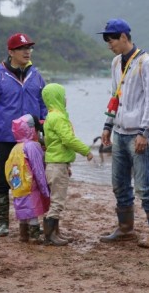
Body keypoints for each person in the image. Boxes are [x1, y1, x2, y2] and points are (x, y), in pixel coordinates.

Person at [97, 19, 149, 248]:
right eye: (107, 40)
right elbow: (115, 95)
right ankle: (126, 228)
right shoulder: (116, 62)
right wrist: (108, 124)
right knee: (119, 183)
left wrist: (145, 131)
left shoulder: (146, 62)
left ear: (124, 37)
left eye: (112, 39)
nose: (109, 44)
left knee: (144, 184)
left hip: (137, 132)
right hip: (119, 130)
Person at [0, 33, 47, 237]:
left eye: (29, 48)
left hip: (31, 141)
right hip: (5, 138)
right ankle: (3, 223)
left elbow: (43, 105)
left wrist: (45, 129)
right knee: (2, 179)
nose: (27, 52)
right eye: (22, 48)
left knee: (31, 181)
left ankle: (29, 222)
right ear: (11, 52)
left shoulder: (36, 75)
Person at [41, 83, 94, 246]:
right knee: (57, 201)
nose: (66, 99)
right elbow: (68, 139)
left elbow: (55, 143)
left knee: (54, 199)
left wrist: (67, 164)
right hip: (57, 166)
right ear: (57, 98)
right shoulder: (59, 117)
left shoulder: (50, 117)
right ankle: (50, 236)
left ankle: (55, 233)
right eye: (63, 96)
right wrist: (86, 150)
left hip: (53, 163)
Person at [5, 114, 50, 243]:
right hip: (31, 186)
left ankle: (23, 235)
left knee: (23, 213)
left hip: (17, 186)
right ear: (32, 130)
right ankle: (35, 237)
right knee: (33, 213)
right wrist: (45, 188)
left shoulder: (15, 147)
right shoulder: (32, 146)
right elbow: (38, 169)